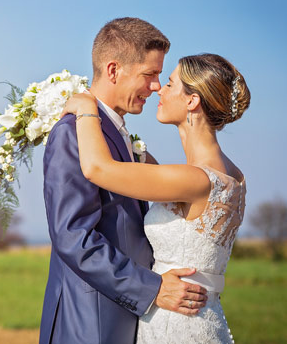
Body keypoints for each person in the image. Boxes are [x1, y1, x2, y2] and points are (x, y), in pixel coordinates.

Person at [39, 17, 208, 344]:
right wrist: (152, 288)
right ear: (114, 70)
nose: (157, 86)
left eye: (160, 76)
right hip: (90, 323)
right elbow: (74, 237)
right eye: (150, 74)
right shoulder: (73, 133)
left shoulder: (114, 132)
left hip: (127, 317)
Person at [61, 52, 250, 343]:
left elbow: (98, 168)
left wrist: (87, 109)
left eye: (171, 84)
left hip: (175, 322)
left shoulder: (194, 179)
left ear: (192, 101)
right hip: (200, 316)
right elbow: (150, 174)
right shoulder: (232, 174)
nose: (159, 88)